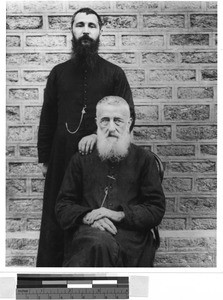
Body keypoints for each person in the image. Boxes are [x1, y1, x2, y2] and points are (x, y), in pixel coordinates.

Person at [37, 8, 135, 267]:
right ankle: (54, 279)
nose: (86, 31)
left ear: (100, 32)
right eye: (80, 25)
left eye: (92, 26)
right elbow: (47, 118)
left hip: (100, 159)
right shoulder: (58, 73)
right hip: (61, 158)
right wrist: (45, 160)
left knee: (93, 219)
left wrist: (96, 133)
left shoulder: (114, 73)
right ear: (72, 30)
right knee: (57, 216)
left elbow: (128, 115)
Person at [55, 96, 165, 267]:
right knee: (97, 243)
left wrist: (118, 215)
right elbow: (63, 207)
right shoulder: (80, 160)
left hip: (130, 236)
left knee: (102, 245)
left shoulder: (144, 159)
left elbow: (156, 209)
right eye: (105, 120)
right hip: (90, 232)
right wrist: (88, 217)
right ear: (96, 122)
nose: (111, 127)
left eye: (118, 121)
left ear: (129, 123)